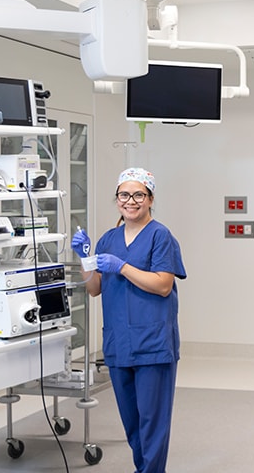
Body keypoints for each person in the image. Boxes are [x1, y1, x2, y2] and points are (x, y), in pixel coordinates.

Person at [72, 167, 186, 473]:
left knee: (153, 419)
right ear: (117, 199)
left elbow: (162, 285)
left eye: (138, 194)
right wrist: (85, 258)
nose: (131, 201)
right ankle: (143, 468)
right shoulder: (107, 240)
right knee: (131, 419)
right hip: (119, 341)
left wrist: (121, 267)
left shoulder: (160, 236)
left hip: (153, 342)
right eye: (124, 194)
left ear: (149, 199)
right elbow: (94, 289)